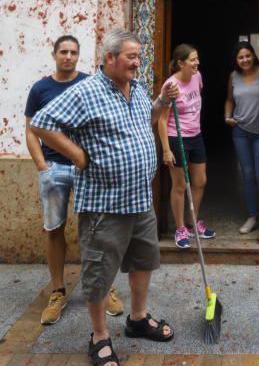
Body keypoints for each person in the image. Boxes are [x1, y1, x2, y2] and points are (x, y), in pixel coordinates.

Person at [30, 29, 178, 366]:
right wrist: (77, 156)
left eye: (138, 56)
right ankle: (99, 336)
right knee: (99, 272)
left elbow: (147, 118)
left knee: (143, 260)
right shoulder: (86, 91)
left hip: (140, 199)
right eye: (131, 57)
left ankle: (138, 319)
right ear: (110, 57)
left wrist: (163, 101)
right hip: (103, 205)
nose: (137, 63)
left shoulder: (137, 88)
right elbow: (41, 123)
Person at [25, 35, 123, 326]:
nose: (68, 57)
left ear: (79, 56)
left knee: (97, 231)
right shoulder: (40, 88)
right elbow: (31, 130)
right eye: (63, 52)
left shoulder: (89, 84)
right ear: (54, 54)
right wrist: (43, 167)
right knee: (54, 229)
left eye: (73, 52)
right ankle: (57, 292)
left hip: (87, 171)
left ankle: (105, 288)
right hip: (54, 168)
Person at [158, 44, 215, 249]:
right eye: (192, 60)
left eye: (197, 59)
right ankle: (180, 228)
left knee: (200, 181)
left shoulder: (197, 77)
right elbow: (162, 120)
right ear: (180, 63)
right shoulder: (171, 86)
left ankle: (192, 222)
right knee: (180, 185)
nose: (197, 63)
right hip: (176, 138)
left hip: (195, 135)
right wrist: (166, 149)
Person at [224, 41, 259, 234]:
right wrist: (227, 117)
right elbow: (230, 100)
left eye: (248, 56)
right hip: (240, 131)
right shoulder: (233, 76)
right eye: (240, 57)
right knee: (247, 175)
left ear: (254, 55)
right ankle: (252, 216)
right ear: (236, 60)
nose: (245, 60)